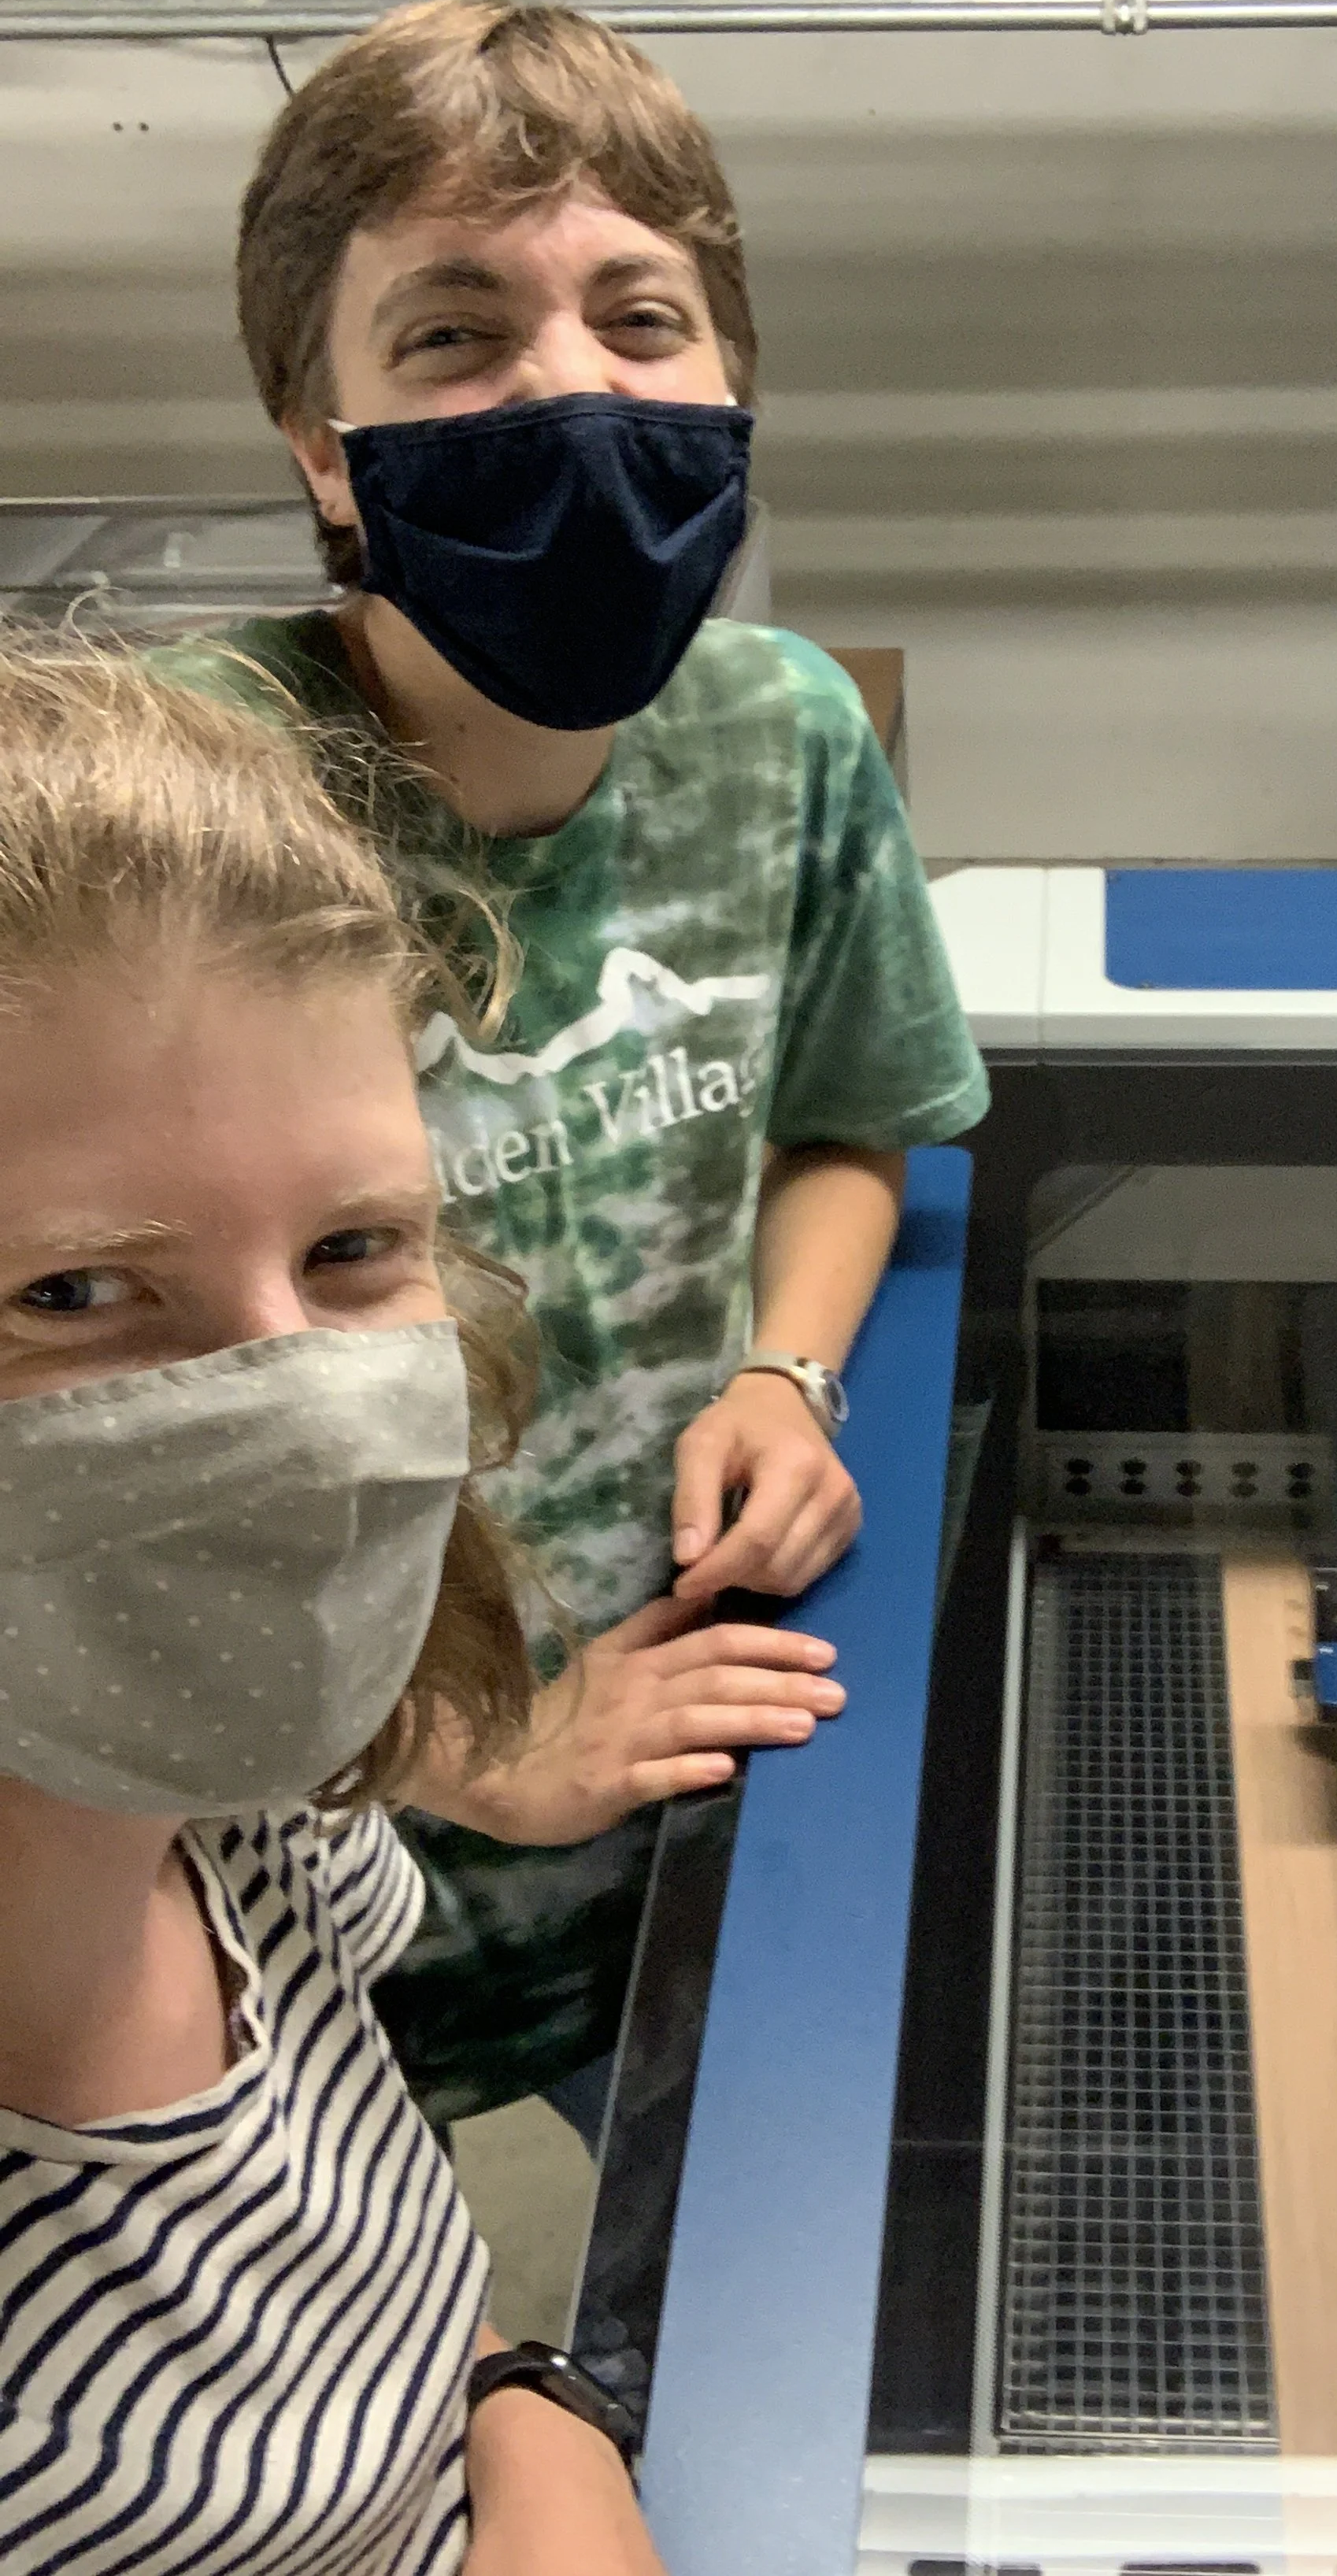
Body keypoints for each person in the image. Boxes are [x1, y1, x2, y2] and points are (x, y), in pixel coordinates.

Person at [155, 0, 991, 2146]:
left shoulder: (782, 735)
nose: (574, 391)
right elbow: (69, 1451)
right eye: (451, 335)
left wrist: (779, 1374)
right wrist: (468, 1751)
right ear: (321, 438)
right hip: (275, 1891)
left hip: (685, 1796)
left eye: (643, 316)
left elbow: (844, 1109)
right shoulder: (172, 825)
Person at [0, 637, 664, 2574]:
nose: (299, 1404)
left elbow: (352, 2279)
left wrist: (506, 2390)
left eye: (355, 1249)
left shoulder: (239, 1811)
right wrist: (555, 2460)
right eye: (72, 1292)